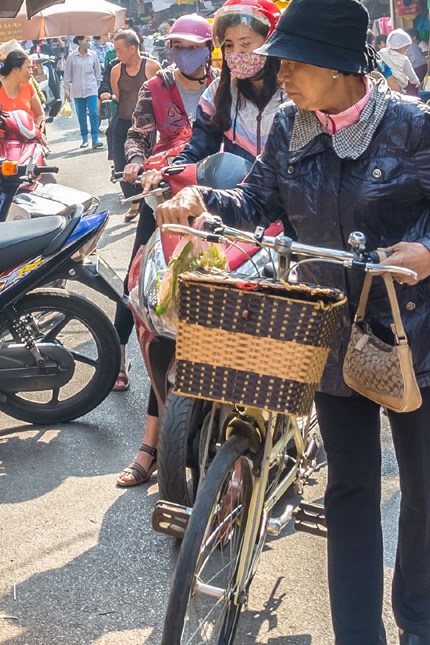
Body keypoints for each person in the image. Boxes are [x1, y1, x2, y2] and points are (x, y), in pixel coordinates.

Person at [155, 0, 430, 645]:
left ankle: (420, 627)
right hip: (330, 326)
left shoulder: (411, 126)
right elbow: (257, 205)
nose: (277, 73)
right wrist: (200, 200)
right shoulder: (291, 126)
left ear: (341, 64)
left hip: (413, 336)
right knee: (347, 484)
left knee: (424, 486)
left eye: (293, 61)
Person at [103, 14, 213, 415]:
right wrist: (135, 162)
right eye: (177, 47)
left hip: (211, 194)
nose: (185, 55)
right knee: (140, 270)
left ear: (208, 49)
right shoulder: (157, 87)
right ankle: (117, 351)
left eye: (193, 47)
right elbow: (137, 134)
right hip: (163, 191)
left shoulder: (224, 87)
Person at [173, 6, 287, 167]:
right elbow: (199, 147)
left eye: (245, 43)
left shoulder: (295, 93)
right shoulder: (217, 92)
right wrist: (173, 170)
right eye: (229, 45)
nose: (236, 52)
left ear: (270, 42)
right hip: (237, 190)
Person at [102, 30, 161, 211]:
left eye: (120, 50)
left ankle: (146, 202)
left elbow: (161, 97)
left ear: (133, 48)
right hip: (124, 120)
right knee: (121, 163)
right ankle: (134, 201)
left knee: (149, 162)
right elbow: (120, 97)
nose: (117, 54)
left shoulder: (152, 67)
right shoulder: (115, 70)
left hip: (149, 126)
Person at [64, 36, 105, 148]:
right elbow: (67, 75)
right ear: (79, 42)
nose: (89, 43)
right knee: (81, 115)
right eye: (86, 41)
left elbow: (98, 73)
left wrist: (97, 87)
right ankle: (84, 139)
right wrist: (67, 91)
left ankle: (95, 138)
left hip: (91, 89)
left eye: (89, 40)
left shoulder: (93, 55)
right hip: (77, 90)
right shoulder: (71, 57)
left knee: (93, 112)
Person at [383, 30, 422, 94]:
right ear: (398, 46)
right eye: (406, 47)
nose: (407, 49)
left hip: (385, 84)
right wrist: (415, 81)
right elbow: (409, 71)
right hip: (398, 84)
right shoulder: (404, 59)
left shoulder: (382, 53)